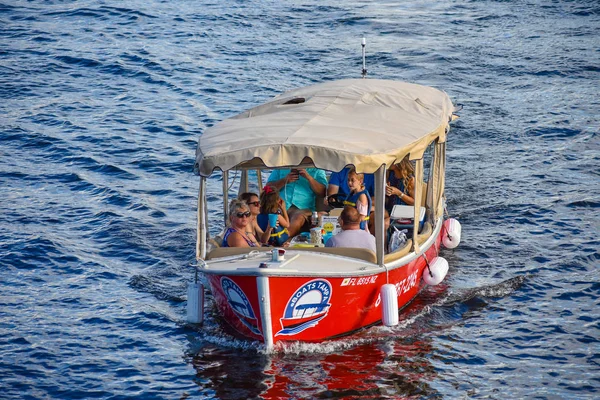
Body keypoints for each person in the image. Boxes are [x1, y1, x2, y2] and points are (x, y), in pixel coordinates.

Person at [266, 167, 327, 237]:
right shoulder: (281, 167)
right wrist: (284, 180)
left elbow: (323, 192)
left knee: (298, 217)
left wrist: (308, 177)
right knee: (269, 213)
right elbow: (268, 189)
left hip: (303, 208)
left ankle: (284, 239)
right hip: (279, 205)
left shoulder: (317, 170)